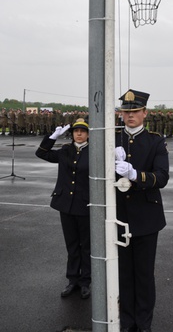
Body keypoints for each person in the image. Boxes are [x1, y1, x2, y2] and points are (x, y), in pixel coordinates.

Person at [114, 89, 169, 332]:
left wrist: (135, 175)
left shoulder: (155, 140)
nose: (130, 116)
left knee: (144, 275)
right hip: (118, 215)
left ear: (145, 113)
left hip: (146, 216)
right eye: (126, 112)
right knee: (123, 274)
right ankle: (126, 322)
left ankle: (144, 323)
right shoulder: (112, 139)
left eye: (135, 111)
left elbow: (163, 176)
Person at [35, 118, 91, 299]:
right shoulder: (66, 150)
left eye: (82, 131)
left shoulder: (94, 152)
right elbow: (42, 153)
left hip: (85, 205)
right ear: (72, 133)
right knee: (72, 245)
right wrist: (52, 138)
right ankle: (72, 280)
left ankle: (86, 281)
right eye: (76, 131)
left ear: (88, 134)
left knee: (86, 246)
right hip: (65, 204)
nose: (79, 134)